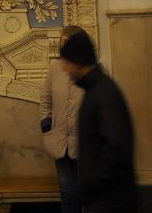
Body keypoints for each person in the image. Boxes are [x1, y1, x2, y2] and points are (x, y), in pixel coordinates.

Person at [60, 33, 137, 213]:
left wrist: (93, 183)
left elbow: (117, 147)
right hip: (104, 199)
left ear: (77, 60)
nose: (64, 68)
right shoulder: (96, 89)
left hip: (109, 201)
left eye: (66, 61)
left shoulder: (102, 94)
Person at [40, 25, 86, 213]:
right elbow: (46, 99)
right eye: (61, 42)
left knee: (87, 191)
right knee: (67, 191)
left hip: (85, 141)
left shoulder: (92, 68)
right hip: (60, 140)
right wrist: (46, 124)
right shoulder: (55, 67)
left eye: (66, 42)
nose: (62, 46)